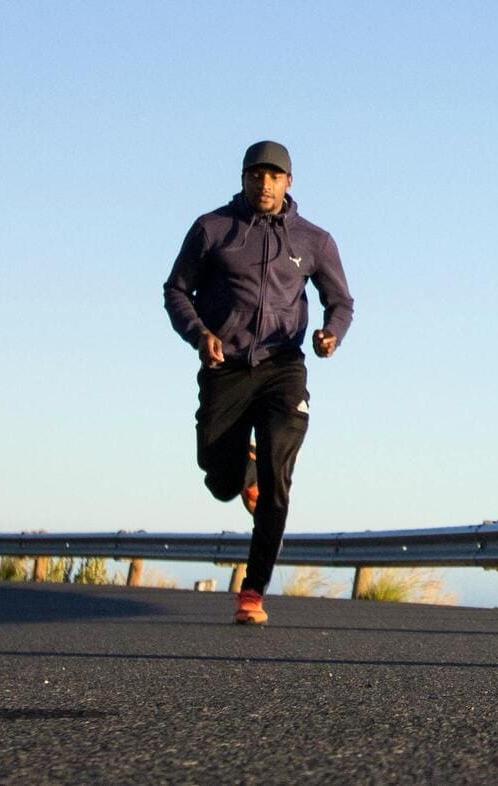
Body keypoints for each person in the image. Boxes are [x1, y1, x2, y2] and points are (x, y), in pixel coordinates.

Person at [163, 140, 354, 624]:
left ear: (289, 182)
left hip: (282, 368)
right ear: (243, 179)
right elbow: (176, 290)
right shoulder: (212, 229)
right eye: (255, 176)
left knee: (277, 475)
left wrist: (332, 333)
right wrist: (200, 334)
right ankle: (240, 472)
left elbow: (341, 302)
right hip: (225, 367)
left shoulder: (314, 240)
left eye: (274, 177)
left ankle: (252, 592)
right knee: (220, 479)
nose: (264, 185)